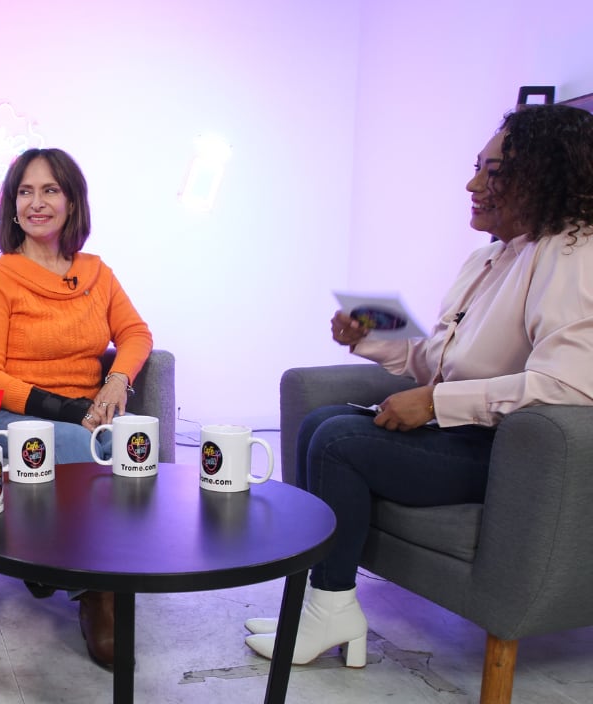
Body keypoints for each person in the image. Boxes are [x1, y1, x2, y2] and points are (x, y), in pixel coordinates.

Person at [243, 103, 593, 667]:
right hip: (459, 433)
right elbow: (440, 360)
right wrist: (369, 335)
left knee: (338, 441)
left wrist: (436, 401)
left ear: (544, 175)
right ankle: (323, 602)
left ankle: (331, 610)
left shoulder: (573, 255)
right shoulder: (488, 258)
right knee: (317, 424)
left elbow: (567, 387)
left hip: (508, 455)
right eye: (477, 166)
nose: (472, 183)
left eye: (493, 170)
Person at [0, 148, 153, 670]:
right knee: (75, 446)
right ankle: (97, 593)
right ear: (12, 205)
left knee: (135, 447)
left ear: (72, 201)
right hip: (12, 408)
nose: (37, 202)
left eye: (50, 190)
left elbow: (136, 333)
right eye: (25, 191)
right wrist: (67, 410)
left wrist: (116, 382)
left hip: (89, 411)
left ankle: (80, 566)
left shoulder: (97, 273)